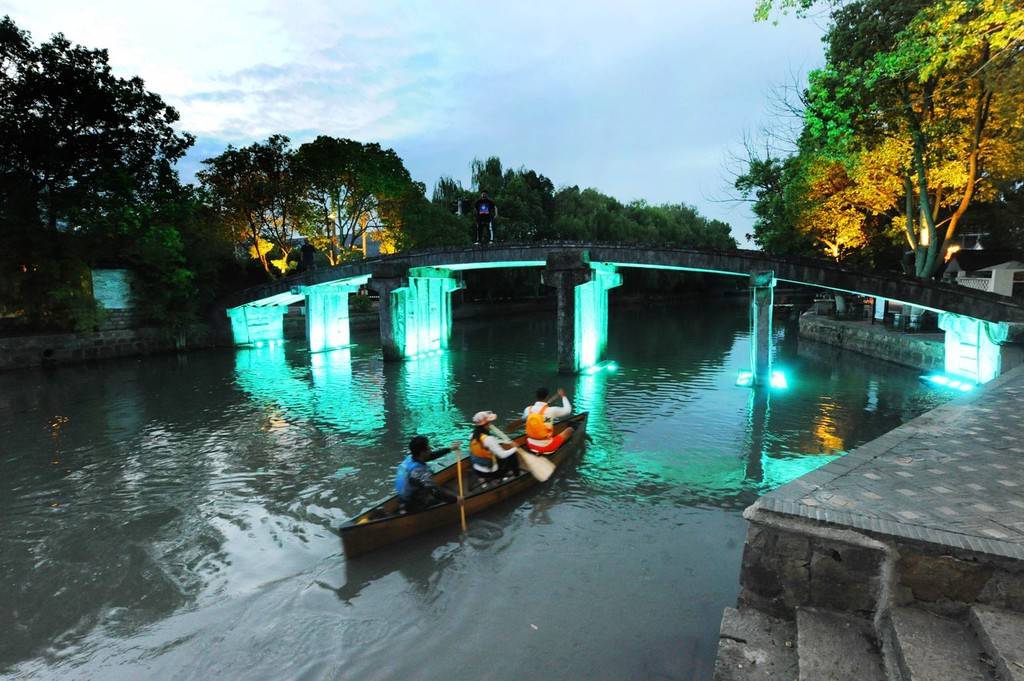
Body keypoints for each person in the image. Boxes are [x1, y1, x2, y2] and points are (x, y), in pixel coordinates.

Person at [394, 435, 463, 512]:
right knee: (436, 495)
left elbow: (431, 456)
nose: (430, 449)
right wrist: (456, 499)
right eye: (428, 447)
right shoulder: (420, 472)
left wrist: (450, 449)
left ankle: (404, 508)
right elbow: (435, 492)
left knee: (427, 485)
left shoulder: (411, 457)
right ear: (422, 452)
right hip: (413, 504)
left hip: (403, 498)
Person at [468, 411, 520, 482]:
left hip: (476, 469)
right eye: (489, 423)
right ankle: (517, 475)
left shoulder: (472, 435)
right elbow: (502, 455)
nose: (490, 425)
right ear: (486, 425)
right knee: (512, 455)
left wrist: (504, 442)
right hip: (490, 473)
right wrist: (516, 448)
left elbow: (488, 443)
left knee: (499, 450)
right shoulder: (488, 439)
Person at [522, 387, 574, 454]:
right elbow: (568, 410)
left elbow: (523, 419)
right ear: (547, 397)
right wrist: (563, 396)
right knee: (570, 430)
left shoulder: (528, 409)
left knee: (547, 422)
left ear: (536, 397)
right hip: (547, 447)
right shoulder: (551, 410)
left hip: (530, 444)